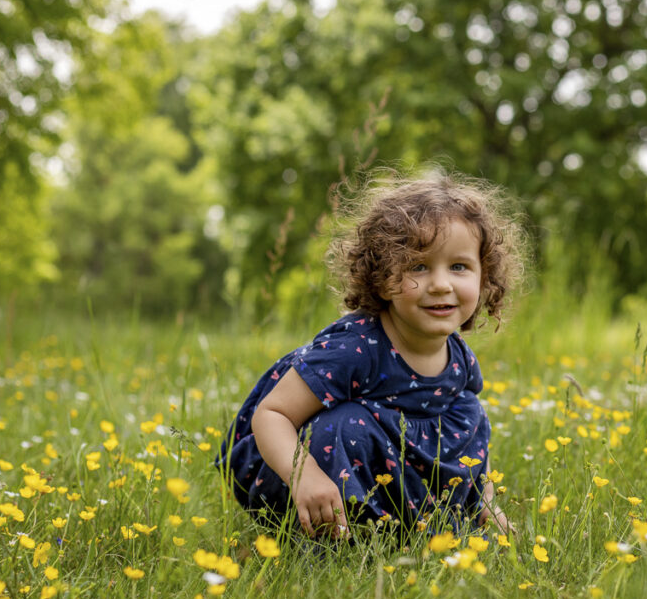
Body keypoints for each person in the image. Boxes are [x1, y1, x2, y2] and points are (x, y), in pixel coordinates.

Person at [215, 168, 525, 539]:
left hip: (382, 470)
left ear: (483, 276)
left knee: (470, 412)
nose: (441, 284)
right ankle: (329, 540)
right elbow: (271, 415)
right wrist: (304, 476)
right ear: (382, 278)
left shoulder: (459, 360)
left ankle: (419, 528)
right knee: (346, 424)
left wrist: (487, 503)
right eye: (418, 267)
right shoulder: (357, 348)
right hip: (289, 470)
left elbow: (474, 445)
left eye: (459, 267)